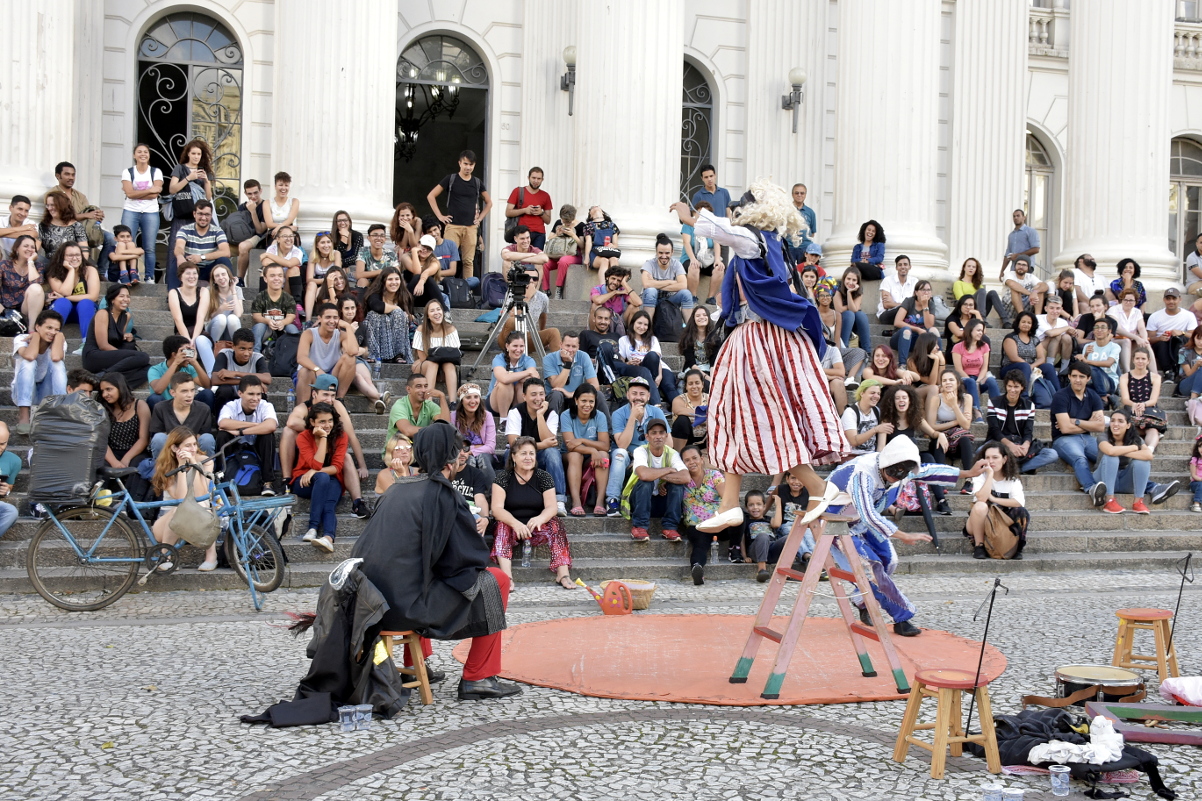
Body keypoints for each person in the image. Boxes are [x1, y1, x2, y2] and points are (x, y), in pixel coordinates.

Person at [671, 184, 850, 533]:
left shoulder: (754, 240)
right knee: (730, 415)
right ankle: (729, 504)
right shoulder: (767, 243)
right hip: (753, 339)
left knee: (766, 419)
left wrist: (689, 217)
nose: (736, 210)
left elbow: (718, 230)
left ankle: (818, 487)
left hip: (761, 340)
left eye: (741, 206)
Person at [353, 424, 519, 701]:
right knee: (497, 579)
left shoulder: (396, 488)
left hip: (369, 600)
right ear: (450, 459)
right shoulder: (442, 494)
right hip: (405, 608)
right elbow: (464, 559)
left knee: (421, 573)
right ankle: (477, 677)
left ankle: (418, 664)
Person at [822, 436, 981, 636]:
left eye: (903, 472)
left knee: (890, 561)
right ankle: (902, 617)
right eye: (894, 471)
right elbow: (868, 513)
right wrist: (903, 535)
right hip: (836, 524)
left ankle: (862, 599)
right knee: (873, 568)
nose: (897, 476)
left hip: (860, 521)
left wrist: (967, 472)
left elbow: (929, 471)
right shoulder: (863, 473)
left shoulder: (903, 471)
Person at [279, 375, 371, 516]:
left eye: (333, 395)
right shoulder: (304, 407)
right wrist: (316, 429)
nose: (329, 399)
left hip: (330, 453)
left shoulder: (337, 406)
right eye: (325, 394)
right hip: (307, 454)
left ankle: (358, 503)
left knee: (346, 456)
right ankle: (286, 480)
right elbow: (291, 422)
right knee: (288, 431)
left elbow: (351, 435)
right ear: (314, 393)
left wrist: (362, 465)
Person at [492, 435, 573, 587]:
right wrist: (515, 524)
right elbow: (496, 509)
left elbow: (552, 507)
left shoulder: (544, 477)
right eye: (523, 453)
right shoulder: (503, 478)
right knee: (501, 526)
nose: (528, 457)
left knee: (556, 523)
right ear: (514, 457)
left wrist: (540, 519)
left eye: (531, 453)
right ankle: (507, 578)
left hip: (535, 527)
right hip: (512, 526)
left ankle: (563, 574)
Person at [879, 383, 952, 535]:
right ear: (892, 402)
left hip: (913, 459)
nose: (901, 401)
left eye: (904, 397)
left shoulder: (915, 418)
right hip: (895, 461)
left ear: (910, 400)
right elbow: (880, 450)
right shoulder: (887, 420)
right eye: (897, 398)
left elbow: (932, 433)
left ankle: (942, 500)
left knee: (929, 457)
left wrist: (941, 434)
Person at [150, 427, 218, 572]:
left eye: (194, 444)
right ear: (175, 448)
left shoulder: (205, 461)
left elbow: (201, 493)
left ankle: (211, 556)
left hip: (198, 520)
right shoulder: (165, 465)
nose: (193, 449)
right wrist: (181, 466)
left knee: (202, 503)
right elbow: (180, 497)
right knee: (180, 509)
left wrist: (194, 464)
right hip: (168, 523)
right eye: (188, 445)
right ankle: (165, 557)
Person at [1093, 408, 1180, 515]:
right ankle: (1109, 501)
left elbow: (1148, 455)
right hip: (1103, 479)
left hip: (1125, 481)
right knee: (1111, 457)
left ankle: (1138, 502)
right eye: (1112, 420)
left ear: (1128, 425)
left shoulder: (1135, 439)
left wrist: (1124, 450)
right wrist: (1133, 448)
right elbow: (1110, 451)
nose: (1115, 424)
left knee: (1142, 461)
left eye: (1120, 421)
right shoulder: (1103, 436)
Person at [604, 376, 669, 517]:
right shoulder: (618, 414)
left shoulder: (656, 412)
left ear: (648, 396)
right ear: (628, 395)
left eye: (642, 394)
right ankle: (612, 500)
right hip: (626, 457)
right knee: (619, 453)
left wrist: (641, 459)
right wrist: (632, 417)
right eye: (634, 393)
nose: (638, 397)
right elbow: (622, 444)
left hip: (649, 458)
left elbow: (669, 443)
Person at [505, 378, 567, 516]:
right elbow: (514, 443)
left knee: (552, 453)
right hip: (519, 455)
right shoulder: (515, 412)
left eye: (541, 394)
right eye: (533, 394)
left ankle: (558, 500)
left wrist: (540, 415)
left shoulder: (550, 413)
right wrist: (541, 445)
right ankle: (507, 497)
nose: (538, 398)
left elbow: (549, 441)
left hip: (541, 456)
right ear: (524, 396)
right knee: (509, 454)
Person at [292, 402, 347, 552]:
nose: (327, 425)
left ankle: (328, 538)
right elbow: (315, 464)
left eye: (330, 420)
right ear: (312, 422)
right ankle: (313, 527)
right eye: (322, 421)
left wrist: (315, 472)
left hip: (332, 480)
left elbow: (337, 467)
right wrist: (323, 438)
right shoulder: (304, 437)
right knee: (322, 478)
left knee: (328, 503)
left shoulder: (341, 436)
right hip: (303, 481)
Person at [1050, 361, 1108, 505]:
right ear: (1069, 376)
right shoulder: (1060, 396)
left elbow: (1101, 426)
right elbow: (1064, 429)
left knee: (1109, 455)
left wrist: (1076, 421)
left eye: (1081, 376)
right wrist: (1089, 423)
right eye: (1074, 376)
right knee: (1080, 459)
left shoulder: (1093, 396)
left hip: (1087, 438)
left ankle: (1148, 486)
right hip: (1063, 440)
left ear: (1088, 378)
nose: (1077, 380)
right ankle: (1091, 488)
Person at [427, 150, 491, 281]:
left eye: (471, 164)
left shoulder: (477, 182)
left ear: (474, 165)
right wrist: (440, 216)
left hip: (470, 228)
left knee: (468, 261)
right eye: (466, 163)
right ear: (460, 163)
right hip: (453, 226)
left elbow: (489, 203)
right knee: (446, 258)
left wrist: (479, 219)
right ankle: (443, 287)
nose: (468, 167)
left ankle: (468, 292)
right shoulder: (451, 179)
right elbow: (431, 196)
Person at [622, 417, 688, 543]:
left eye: (661, 432)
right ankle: (639, 526)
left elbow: (685, 477)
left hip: (660, 502)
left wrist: (662, 478)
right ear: (647, 437)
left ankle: (670, 527)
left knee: (677, 486)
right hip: (639, 501)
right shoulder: (640, 451)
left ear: (666, 435)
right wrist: (668, 470)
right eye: (654, 433)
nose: (658, 436)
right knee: (647, 482)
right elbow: (644, 475)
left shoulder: (672, 453)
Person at [964, 441, 1029, 560]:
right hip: (979, 522)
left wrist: (994, 499)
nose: (991, 461)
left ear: (1004, 459)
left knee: (1022, 512)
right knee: (980, 506)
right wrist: (989, 475)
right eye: (987, 457)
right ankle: (979, 546)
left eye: (995, 457)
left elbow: (1019, 502)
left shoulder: (1013, 480)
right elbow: (982, 498)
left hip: (1002, 522)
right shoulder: (980, 476)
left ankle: (1017, 548)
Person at [987, 370, 1060, 474]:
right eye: (1010, 386)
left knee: (1052, 454)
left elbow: (1028, 431)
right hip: (999, 442)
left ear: (1022, 388)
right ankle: (1018, 467)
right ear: (1006, 386)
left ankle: (1016, 469)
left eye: (1016, 387)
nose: (1012, 390)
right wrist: (1010, 446)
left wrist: (1025, 445)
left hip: (1019, 443)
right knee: (980, 452)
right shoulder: (994, 402)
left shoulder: (1029, 405)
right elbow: (994, 430)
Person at [215, 375, 279, 494]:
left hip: (257, 448)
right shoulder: (231, 406)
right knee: (222, 434)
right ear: (240, 393)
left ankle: (267, 482)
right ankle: (221, 477)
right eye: (251, 394)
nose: (255, 398)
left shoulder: (266, 405)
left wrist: (241, 431)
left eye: (258, 394)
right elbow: (223, 423)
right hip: (235, 449)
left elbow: (271, 426)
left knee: (268, 436)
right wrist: (257, 425)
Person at [165, 140, 215, 288]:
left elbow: (208, 198)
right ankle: (174, 283)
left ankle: (195, 281)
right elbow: (172, 189)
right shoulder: (180, 168)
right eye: (193, 153)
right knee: (177, 249)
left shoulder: (204, 171)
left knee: (197, 249)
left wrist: (206, 181)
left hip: (199, 218)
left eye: (199, 154)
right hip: (182, 216)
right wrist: (189, 178)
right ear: (188, 153)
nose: (196, 156)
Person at [82, 283, 149, 388]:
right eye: (121, 296)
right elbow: (103, 345)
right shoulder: (103, 314)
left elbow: (117, 339)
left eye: (128, 296)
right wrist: (128, 357)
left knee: (148, 369)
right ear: (112, 299)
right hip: (94, 356)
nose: (125, 299)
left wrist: (128, 336)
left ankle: (118, 385)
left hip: (110, 357)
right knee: (143, 356)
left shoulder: (126, 316)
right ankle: (101, 376)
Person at [680, 445, 731, 585]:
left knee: (739, 516)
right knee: (700, 545)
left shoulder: (714, 475)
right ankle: (697, 569)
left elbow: (728, 499)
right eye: (687, 460)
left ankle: (736, 548)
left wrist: (717, 516)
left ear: (702, 459)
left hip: (719, 522)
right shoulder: (682, 480)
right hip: (697, 526)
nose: (691, 462)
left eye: (694, 458)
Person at [496, 248, 562, 355]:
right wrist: (526, 297)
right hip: (507, 336)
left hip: (527, 336)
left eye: (535, 279)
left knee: (554, 332)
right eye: (528, 278)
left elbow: (543, 316)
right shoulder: (512, 292)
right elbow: (513, 315)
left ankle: (558, 367)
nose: (531, 281)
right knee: (512, 321)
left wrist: (542, 331)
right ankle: (511, 356)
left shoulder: (542, 297)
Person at [11, 309, 67, 432]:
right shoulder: (22, 338)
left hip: (46, 393)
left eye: (57, 330)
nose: (53, 332)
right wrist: (36, 336)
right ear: (37, 326)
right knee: (28, 363)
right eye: (49, 327)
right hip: (22, 394)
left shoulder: (59, 341)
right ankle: (24, 416)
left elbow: (56, 357)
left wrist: (60, 337)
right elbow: (30, 356)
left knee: (58, 364)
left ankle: (60, 410)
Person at [560, 384, 610, 517]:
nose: (587, 405)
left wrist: (583, 441)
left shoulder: (600, 416)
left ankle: (600, 501)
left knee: (604, 454)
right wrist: (593, 450)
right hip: (569, 456)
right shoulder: (566, 415)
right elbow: (570, 446)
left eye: (591, 401)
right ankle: (576, 502)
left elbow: (605, 446)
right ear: (576, 400)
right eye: (583, 401)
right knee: (576, 455)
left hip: (589, 455)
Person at [119, 143, 163, 284]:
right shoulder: (128, 172)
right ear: (134, 155)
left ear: (149, 155)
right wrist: (149, 190)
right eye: (139, 152)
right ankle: (127, 274)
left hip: (150, 212)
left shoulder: (156, 172)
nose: (143, 154)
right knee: (125, 244)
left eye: (145, 152)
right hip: (131, 210)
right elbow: (129, 194)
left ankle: (149, 276)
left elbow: (154, 194)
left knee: (149, 247)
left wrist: (137, 194)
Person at [148, 372, 215, 460]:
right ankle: (161, 471)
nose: (190, 395)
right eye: (184, 391)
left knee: (207, 439)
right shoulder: (160, 408)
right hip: (170, 451)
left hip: (194, 452)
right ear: (172, 392)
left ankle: (206, 471)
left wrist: (188, 448)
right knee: (158, 438)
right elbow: (159, 435)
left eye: (192, 390)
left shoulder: (203, 409)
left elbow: (201, 436)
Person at [44, 242, 99, 347]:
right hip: (62, 311)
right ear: (62, 257)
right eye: (70, 255)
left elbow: (93, 296)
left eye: (78, 255)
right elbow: (65, 291)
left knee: (86, 302)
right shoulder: (53, 272)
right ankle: (50, 342)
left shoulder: (89, 270)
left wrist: (67, 297)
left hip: (84, 312)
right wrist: (71, 270)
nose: (75, 258)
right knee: (62, 302)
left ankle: (87, 344)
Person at [543, 331, 607, 420]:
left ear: (578, 347)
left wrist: (573, 394)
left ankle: (608, 430)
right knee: (556, 394)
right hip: (556, 399)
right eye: (567, 346)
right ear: (561, 345)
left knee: (598, 394)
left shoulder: (583, 356)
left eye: (574, 346)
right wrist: (568, 364)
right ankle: (551, 430)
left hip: (577, 398)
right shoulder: (549, 358)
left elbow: (595, 386)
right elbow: (557, 385)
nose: (570, 350)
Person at [618, 310, 678, 402]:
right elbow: (621, 362)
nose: (642, 327)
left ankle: (680, 410)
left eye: (645, 324)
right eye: (639, 323)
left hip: (660, 368)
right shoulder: (624, 340)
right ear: (633, 323)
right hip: (641, 369)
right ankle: (656, 401)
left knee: (669, 387)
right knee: (650, 358)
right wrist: (628, 363)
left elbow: (656, 358)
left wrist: (660, 376)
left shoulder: (653, 339)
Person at [925, 369, 977, 475]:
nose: (947, 382)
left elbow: (966, 425)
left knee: (965, 440)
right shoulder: (936, 399)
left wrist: (954, 405)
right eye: (944, 380)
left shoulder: (967, 398)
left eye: (951, 380)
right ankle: (940, 481)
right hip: (941, 438)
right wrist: (956, 422)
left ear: (957, 383)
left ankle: (970, 478)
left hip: (958, 440)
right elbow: (931, 426)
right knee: (938, 442)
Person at [207, 328, 271, 412]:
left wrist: (236, 373)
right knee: (224, 390)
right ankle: (220, 421)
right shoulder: (225, 354)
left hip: (249, 396)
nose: (246, 353)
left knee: (260, 392)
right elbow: (215, 379)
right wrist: (252, 382)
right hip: (231, 395)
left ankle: (258, 421)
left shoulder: (257, 357)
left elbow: (267, 379)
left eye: (250, 349)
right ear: (233, 346)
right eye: (242, 349)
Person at [1001, 310, 1060, 397]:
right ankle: (1024, 396)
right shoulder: (1011, 338)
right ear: (1018, 323)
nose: (1026, 324)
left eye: (1029, 322)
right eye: (1023, 322)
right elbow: (1013, 357)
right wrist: (1028, 366)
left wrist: (1031, 366)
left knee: (1048, 366)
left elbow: (1041, 358)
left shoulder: (1034, 339)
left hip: (1030, 367)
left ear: (1032, 325)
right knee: (1024, 366)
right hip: (1010, 368)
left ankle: (1059, 394)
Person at [362, 267, 414, 364]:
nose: (394, 282)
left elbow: (411, 315)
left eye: (397, 279)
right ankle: (373, 354)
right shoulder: (375, 294)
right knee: (375, 315)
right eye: (390, 279)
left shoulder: (405, 295)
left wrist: (406, 315)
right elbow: (377, 307)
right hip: (375, 331)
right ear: (383, 281)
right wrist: (397, 308)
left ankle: (398, 355)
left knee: (398, 314)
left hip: (396, 335)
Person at [1119, 347, 1167, 454]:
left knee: (1152, 429)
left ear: (1148, 361)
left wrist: (1143, 405)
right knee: (1129, 428)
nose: (1140, 361)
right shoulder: (1125, 377)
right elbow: (1125, 399)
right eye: (1137, 358)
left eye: (1143, 359)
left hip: (1149, 407)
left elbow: (1153, 400)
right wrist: (1135, 405)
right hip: (1131, 406)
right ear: (1133, 360)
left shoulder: (1155, 377)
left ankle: (1149, 449)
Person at [169, 262, 215, 373]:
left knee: (201, 341)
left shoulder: (203, 291)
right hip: (181, 333)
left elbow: (200, 318)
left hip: (199, 332)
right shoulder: (174, 292)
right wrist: (188, 340)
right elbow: (178, 319)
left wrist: (194, 339)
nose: (192, 276)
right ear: (181, 277)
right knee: (183, 346)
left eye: (194, 273)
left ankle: (212, 376)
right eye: (188, 273)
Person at [99, 373, 150, 471]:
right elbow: (101, 441)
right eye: (102, 391)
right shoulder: (103, 409)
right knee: (101, 468)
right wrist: (114, 462)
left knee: (138, 467)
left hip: (135, 452)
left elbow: (144, 439)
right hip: (110, 453)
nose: (105, 394)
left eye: (109, 389)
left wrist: (126, 459)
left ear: (120, 387)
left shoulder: (139, 405)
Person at [147, 335, 213, 410]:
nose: (188, 355)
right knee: (154, 398)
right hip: (166, 409)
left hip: (186, 406)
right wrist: (176, 363)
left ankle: (204, 421)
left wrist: (194, 362)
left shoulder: (189, 368)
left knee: (207, 393)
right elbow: (158, 390)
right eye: (185, 352)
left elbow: (207, 385)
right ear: (174, 354)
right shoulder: (155, 370)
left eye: (190, 351)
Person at [411, 298, 460, 398]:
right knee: (433, 363)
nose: (436, 313)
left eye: (438, 309)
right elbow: (422, 357)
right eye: (432, 311)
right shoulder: (421, 329)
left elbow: (454, 355)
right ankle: (428, 401)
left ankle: (453, 402)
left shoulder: (451, 329)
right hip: (424, 365)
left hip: (444, 369)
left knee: (449, 365)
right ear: (428, 316)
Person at [681, 201, 726, 307]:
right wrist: (692, 259)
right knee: (694, 267)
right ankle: (693, 296)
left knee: (719, 268)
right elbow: (686, 243)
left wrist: (717, 260)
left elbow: (716, 244)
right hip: (689, 258)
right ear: (694, 213)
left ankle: (710, 297)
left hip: (706, 260)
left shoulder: (712, 227)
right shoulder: (688, 225)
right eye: (700, 213)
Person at [951, 318, 998, 421]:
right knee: (971, 381)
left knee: (991, 381)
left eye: (982, 330)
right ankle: (978, 413)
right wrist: (972, 381)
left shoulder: (984, 346)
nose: (981, 333)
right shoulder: (958, 347)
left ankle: (998, 410)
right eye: (978, 330)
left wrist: (978, 381)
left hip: (979, 378)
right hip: (964, 379)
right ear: (970, 330)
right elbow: (958, 369)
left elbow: (984, 367)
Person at [387, 373, 451, 447]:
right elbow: (407, 430)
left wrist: (442, 397)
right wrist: (434, 431)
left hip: (418, 450)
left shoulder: (429, 405)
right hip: (396, 451)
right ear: (408, 389)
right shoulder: (399, 406)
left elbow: (446, 425)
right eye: (419, 386)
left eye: (426, 386)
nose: (423, 390)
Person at [640, 233, 693, 322]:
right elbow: (646, 284)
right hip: (651, 300)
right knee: (651, 291)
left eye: (667, 253)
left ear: (672, 252)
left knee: (686, 294)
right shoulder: (649, 264)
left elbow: (683, 286)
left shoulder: (676, 264)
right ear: (656, 252)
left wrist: (654, 283)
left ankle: (689, 330)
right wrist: (671, 282)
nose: (664, 256)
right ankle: (647, 327)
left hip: (669, 300)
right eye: (660, 253)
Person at [486, 331, 539, 418]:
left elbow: (534, 378)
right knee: (505, 385)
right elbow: (505, 379)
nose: (518, 350)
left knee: (522, 386)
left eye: (521, 346)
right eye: (515, 346)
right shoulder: (499, 359)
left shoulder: (529, 360)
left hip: (516, 400)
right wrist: (527, 372)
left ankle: (520, 419)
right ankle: (503, 421)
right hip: (496, 402)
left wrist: (510, 376)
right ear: (507, 346)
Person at [451, 383, 496, 484]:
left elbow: (491, 446)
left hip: (485, 455)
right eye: (468, 397)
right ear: (462, 401)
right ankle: (468, 494)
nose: (473, 401)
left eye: (476, 397)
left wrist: (469, 451)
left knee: (482, 458)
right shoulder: (453, 417)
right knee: (470, 460)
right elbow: (452, 443)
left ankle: (493, 493)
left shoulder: (487, 416)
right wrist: (476, 448)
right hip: (461, 454)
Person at [735, 490, 784, 582]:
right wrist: (745, 556)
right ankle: (762, 570)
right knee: (763, 536)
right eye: (751, 505)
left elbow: (777, 524)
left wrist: (778, 505)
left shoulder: (768, 519)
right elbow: (742, 539)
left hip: (771, 550)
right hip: (755, 551)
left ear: (764, 506)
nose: (755, 507)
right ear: (746, 507)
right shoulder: (746, 521)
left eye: (758, 504)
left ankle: (786, 569)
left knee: (787, 538)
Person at [250, 263, 299, 353]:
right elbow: (256, 316)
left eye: (280, 276)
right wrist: (267, 321)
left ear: (283, 278)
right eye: (272, 276)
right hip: (265, 329)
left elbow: (291, 316)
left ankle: (292, 355)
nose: (277, 278)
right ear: (265, 279)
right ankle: (256, 354)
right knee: (259, 326)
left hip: (282, 328)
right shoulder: (260, 297)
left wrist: (283, 322)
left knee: (292, 328)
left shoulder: (288, 298)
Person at [1147, 287, 1195, 378]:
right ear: (1164, 300)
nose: (1171, 301)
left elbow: (1194, 336)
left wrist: (1181, 332)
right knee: (1162, 344)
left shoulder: (1189, 315)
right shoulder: (1155, 316)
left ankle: (1177, 369)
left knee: (1179, 339)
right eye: (1168, 299)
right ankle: (1168, 371)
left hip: (1179, 343)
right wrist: (1159, 338)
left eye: (1174, 298)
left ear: (1180, 299)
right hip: (1161, 345)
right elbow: (1150, 339)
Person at [0, 233, 46, 327]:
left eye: (32, 247)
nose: (30, 249)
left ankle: (32, 329)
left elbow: (36, 284)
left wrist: (30, 262)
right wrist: (4, 313)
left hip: (26, 309)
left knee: (35, 288)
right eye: (26, 246)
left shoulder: (38, 266)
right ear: (17, 249)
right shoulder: (4, 265)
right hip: (6, 309)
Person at [890, 279, 938, 365]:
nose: (926, 292)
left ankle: (939, 360)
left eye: (928, 290)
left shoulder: (930, 304)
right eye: (923, 290)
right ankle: (902, 364)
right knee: (907, 330)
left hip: (918, 341)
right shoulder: (909, 301)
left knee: (934, 330)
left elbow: (929, 326)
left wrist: (925, 306)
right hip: (901, 338)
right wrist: (917, 329)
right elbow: (897, 322)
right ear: (916, 292)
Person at [450, 438, 491, 535]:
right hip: (448, 511)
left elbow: (479, 498)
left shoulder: (476, 474)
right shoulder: (444, 471)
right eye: (458, 449)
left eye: (466, 449)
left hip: (468, 513)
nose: (463, 453)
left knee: (478, 520)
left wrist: (485, 518)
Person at [543, 204, 583, 299]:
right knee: (545, 263)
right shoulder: (558, 223)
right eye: (564, 221)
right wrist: (557, 234)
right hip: (557, 253)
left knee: (563, 260)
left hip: (573, 255)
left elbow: (582, 245)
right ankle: (546, 290)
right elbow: (549, 239)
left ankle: (558, 289)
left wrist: (573, 235)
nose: (566, 223)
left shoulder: (581, 226)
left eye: (568, 222)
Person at [505, 167, 552, 250]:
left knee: (536, 260)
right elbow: (508, 212)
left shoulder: (545, 196)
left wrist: (541, 213)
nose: (536, 181)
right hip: (521, 232)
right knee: (519, 260)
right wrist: (524, 210)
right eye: (533, 178)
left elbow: (548, 220)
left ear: (542, 180)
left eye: (538, 178)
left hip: (539, 234)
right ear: (528, 178)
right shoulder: (518, 191)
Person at [233, 180, 269, 284]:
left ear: (260, 191)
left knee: (243, 247)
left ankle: (240, 279)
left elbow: (260, 230)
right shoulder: (242, 207)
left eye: (255, 192)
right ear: (245, 193)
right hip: (243, 236)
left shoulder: (265, 205)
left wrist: (253, 211)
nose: (253, 196)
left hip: (259, 237)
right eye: (249, 193)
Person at [953, 256, 1006, 326]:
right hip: (967, 309)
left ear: (976, 270)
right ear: (964, 268)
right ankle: (982, 320)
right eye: (969, 266)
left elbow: (983, 302)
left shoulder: (978, 285)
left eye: (973, 267)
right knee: (981, 290)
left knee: (992, 293)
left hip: (978, 311)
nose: (971, 268)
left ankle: (1006, 320)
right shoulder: (958, 283)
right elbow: (961, 300)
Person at [589, 265, 641, 334]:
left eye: (619, 280)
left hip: (619, 321)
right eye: (613, 278)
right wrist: (615, 292)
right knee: (595, 306)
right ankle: (594, 334)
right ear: (607, 278)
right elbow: (598, 301)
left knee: (634, 307)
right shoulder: (598, 289)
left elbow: (638, 303)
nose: (615, 282)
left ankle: (631, 336)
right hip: (603, 321)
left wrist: (625, 284)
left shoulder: (623, 290)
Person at [38, 190, 88, 262]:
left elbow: (84, 251)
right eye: (48, 205)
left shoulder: (76, 226)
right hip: (50, 265)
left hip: (71, 264)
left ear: (61, 205)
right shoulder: (44, 225)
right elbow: (35, 247)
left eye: (52, 205)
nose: (49, 208)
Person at [257, 223, 303, 300]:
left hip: (288, 285)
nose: (289, 239)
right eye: (285, 236)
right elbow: (265, 263)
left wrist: (268, 255)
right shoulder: (272, 248)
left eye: (291, 236)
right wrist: (284, 264)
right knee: (265, 270)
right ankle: (263, 300)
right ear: (278, 239)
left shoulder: (297, 251)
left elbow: (290, 263)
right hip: (274, 282)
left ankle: (296, 302)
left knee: (294, 269)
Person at [1083, 317, 1122, 406]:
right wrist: (1085, 355)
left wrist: (1087, 361)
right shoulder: (1088, 346)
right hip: (1091, 382)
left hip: (1109, 382)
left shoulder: (1114, 347)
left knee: (1092, 368)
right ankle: (1107, 399)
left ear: (1109, 331)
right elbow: (1083, 368)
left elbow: (1108, 363)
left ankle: (1103, 396)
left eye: (1103, 327)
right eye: (1096, 327)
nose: (1099, 330)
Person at [1107, 287, 1148, 372]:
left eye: (1131, 300)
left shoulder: (1137, 312)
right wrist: (1137, 338)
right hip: (1115, 340)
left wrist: (1144, 339)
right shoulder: (1114, 310)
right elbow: (1118, 329)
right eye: (1125, 300)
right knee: (1127, 341)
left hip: (1132, 340)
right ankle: (1127, 371)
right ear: (1121, 300)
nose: (1128, 302)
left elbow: (1141, 328)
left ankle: (1154, 373)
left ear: (1135, 302)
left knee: (1146, 344)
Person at [402, 234, 448, 309]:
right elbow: (416, 272)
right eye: (423, 246)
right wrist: (414, 252)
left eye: (429, 249)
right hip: (409, 295)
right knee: (417, 277)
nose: (425, 250)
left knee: (429, 278)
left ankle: (445, 311)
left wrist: (421, 282)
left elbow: (427, 272)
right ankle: (407, 311)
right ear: (418, 244)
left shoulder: (434, 261)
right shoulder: (406, 257)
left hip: (427, 297)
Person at [303, 231, 342, 320]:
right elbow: (309, 279)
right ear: (317, 245)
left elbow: (337, 274)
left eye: (328, 242)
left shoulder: (336, 254)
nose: (326, 245)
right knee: (311, 285)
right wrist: (323, 282)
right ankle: (308, 320)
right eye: (322, 242)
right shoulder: (313, 255)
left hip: (333, 284)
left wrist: (323, 287)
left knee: (320, 288)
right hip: (318, 283)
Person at [680, 305, 723, 384]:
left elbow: (713, 363)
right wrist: (707, 378)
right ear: (693, 319)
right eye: (698, 316)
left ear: (708, 318)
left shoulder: (715, 339)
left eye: (704, 315)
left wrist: (712, 378)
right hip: (692, 370)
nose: (702, 317)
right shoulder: (687, 338)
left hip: (709, 370)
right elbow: (691, 363)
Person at [834, 265, 873, 351]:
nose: (851, 282)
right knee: (849, 314)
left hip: (855, 322)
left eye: (854, 280)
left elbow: (855, 310)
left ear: (858, 282)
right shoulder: (838, 286)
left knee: (860, 315)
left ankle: (867, 351)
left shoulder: (859, 289)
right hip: (840, 321)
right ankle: (843, 349)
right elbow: (839, 309)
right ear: (844, 278)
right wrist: (852, 304)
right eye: (848, 279)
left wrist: (849, 293)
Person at [671, 369, 710, 451]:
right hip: (687, 439)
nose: (694, 386)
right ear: (686, 386)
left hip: (706, 439)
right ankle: (679, 454)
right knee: (682, 420)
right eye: (690, 384)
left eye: (697, 383)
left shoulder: (710, 398)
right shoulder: (679, 399)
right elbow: (678, 410)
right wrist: (705, 415)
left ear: (702, 384)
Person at [843, 380, 885, 455]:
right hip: (852, 456)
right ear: (862, 393)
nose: (876, 396)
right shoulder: (850, 413)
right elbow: (854, 441)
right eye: (872, 393)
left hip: (871, 456)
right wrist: (875, 429)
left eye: (878, 394)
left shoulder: (877, 411)